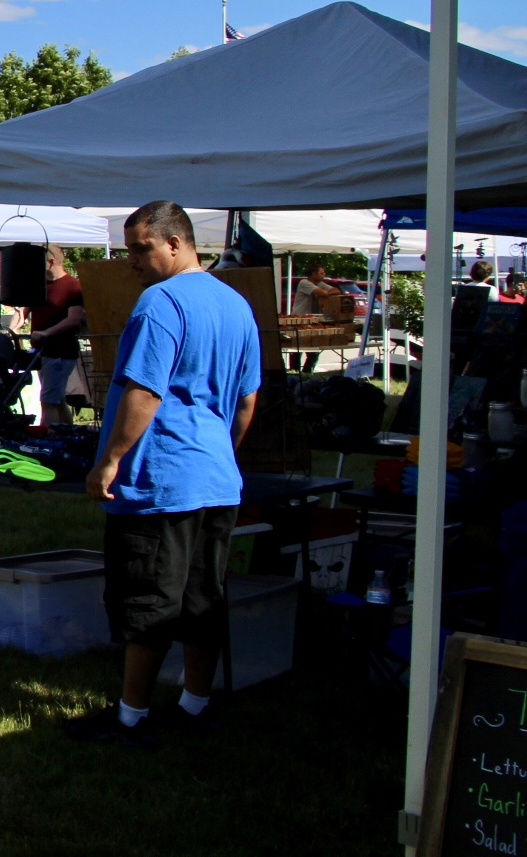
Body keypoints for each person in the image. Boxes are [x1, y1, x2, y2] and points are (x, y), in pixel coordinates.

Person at [66, 201, 259, 749]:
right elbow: (247, 401)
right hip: (217, 479)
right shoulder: (237, 304)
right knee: (204, 596)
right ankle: (197, 705)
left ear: (176, 243)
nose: (131, 261)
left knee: (148, 599)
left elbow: (144, 391)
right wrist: (220, 454)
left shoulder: (162, 303)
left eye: (139, 248)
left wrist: (110, 459)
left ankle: (132, 717)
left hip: (163, 479)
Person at [30, 243, 87, 426]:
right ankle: (68, 434)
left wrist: (47, 333)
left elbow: (73, 319)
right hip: (42, 352)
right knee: (58, 398)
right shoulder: (41, 285)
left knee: (48, 401)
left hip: (60, 352)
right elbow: (25, 309)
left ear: (51, 261)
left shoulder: (73, 286)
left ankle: (46, 442)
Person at [289, 263, 344, 374]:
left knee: (314, 350)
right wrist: (326, 293)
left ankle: (307, 372)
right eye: (321, 273)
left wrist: (326, 293)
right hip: (300, 319)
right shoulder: (304, 283)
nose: (324, 275)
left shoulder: (319, 283)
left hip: (313, 320)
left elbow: (336, 290)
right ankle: (295, 372)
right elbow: (322, 293)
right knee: (297, 348)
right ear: (314, 274)